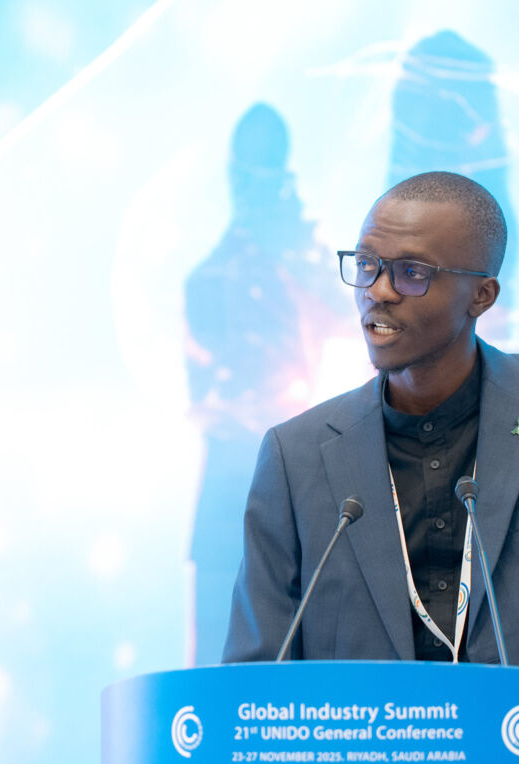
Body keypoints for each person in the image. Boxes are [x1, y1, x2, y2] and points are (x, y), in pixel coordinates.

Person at [221, 171, 519, 701]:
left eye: (412, 273)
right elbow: (252, 685)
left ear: (482, 296)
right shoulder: (295, 456)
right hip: (367, 753)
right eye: (367, 265)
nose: (378, 292)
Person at [185, 103, 348, 665]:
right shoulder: (221, 277)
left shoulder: (281, 267)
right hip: (252, 493)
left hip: (279, 491)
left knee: (268, 674)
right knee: (231, 671)